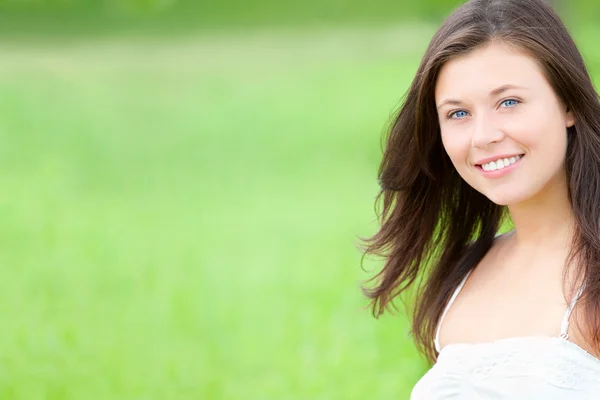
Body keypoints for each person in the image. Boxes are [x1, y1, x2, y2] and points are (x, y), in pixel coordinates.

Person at [360, 0, 600, 397]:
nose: (483, 135)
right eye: (458, 114)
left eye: (509, 102)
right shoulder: (463, 273)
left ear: (568, 103)